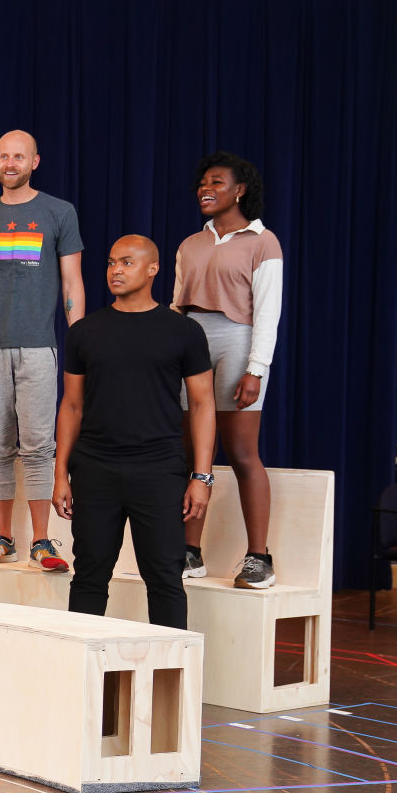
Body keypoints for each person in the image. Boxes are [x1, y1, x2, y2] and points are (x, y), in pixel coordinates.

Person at [54, 236, 216, 631]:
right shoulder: (84, 332)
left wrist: (201, 476)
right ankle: (83, 682)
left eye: (126, 262)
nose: (115, 271)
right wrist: (60, 474)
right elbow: (71, 406)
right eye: (110, 263)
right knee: (89, 576)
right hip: (95, 469)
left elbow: (202, 405)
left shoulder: (185, 331)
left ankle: (170, 684)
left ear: (152, 269)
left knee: (164, 578)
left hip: (159, 470)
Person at [0, 130, 85, 575]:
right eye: (4, 156)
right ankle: (3, 537)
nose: (10, 163)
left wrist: (80, 340)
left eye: (19, 157)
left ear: (35, 161)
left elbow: (72, 282)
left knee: (37, 446)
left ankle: (42, 540)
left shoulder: (58, 213)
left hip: (37, 347)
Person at [173, 152, 282, 589]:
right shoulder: (190, 244)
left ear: (239, 190)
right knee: (193, 454)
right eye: (202, 182)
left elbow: (268, 312)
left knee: (240, 453)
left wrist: (256, 368)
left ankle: (260, 557)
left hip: (238, 339)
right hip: (191, 340)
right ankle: (189, 551)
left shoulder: (263, 241)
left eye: (216, 182)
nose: (205, 188)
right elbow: (177, 306)